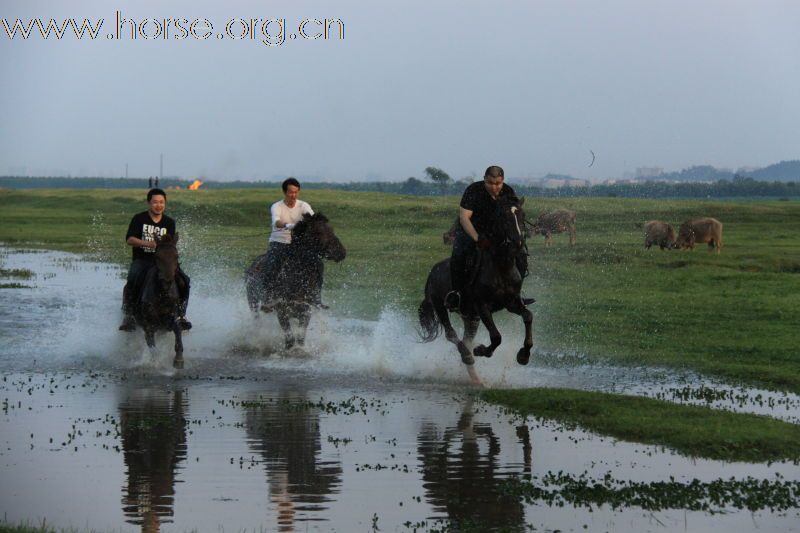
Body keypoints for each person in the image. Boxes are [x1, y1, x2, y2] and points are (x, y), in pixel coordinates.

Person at [445, 165, 529, 311]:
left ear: (502, 181)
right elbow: (464, 218)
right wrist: (477, 238)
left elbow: (513, 214)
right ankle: (456, 294)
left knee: (520, 254)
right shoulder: (473, 191)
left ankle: (516, 294)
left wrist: (516, 236)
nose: (494, 187)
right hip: (469, 230)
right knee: (458, 255)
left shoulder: (508, 191)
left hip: (494, 233)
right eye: (490, 183)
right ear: (484, 180)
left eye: (498, 183)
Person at [118, 188, 192, 331]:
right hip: (143, 260)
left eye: (162, 202)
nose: (158, 205)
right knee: (133, 276)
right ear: (149, 203)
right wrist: (148, 244)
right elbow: (130, 239)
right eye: (155, 202)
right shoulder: (139, 219)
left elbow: (170, 243)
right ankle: (129, 316)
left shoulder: (169, 222)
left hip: (163, 262)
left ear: (165, 203)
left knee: (185, 280)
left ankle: (181, 315)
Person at [260, 178, 320, 306]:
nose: (293, 195)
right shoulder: (277, 206)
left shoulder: (303, 206)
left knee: (317, 264)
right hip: (279, 242)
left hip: (298, 244)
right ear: (284, 192)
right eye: (291, 192)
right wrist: (288, 225)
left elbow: (312, 220)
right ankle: (267, 298)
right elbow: (276, 222)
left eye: (296, 192)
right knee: (271, 264)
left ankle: (316, 297)